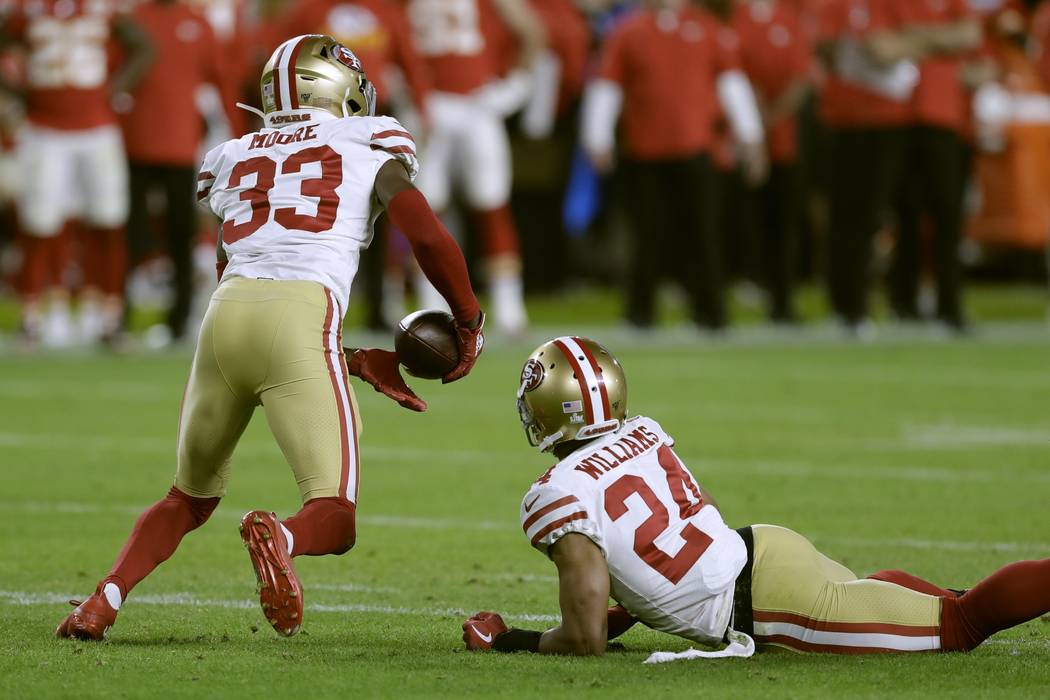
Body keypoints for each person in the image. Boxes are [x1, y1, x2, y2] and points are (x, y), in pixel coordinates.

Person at [55, 35, 485, 641]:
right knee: (333, 515)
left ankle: (100, 601)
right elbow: (428, 235)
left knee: (187, 497)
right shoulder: (368, 139)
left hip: (225, 316)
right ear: (336, 89)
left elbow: (251, 272)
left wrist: (354, 360)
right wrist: (467, 319)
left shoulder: (233, 153)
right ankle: (279, 535)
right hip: (302, 314)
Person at [461, 337, 1050, 656]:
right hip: (761, 548)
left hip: (766, 604)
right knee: (869, 593)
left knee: (962, 624)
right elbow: (684, 530)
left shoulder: (554, 492)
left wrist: (510, 640)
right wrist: (637, 608)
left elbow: (585, 637)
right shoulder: (642, 430)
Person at [581, 0, 766, 332]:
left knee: (704, 233)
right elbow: (607, 84)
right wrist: (598, 136)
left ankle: (711, 314)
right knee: (647, 236)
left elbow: (731, 83)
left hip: (697, 149)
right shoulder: (628, 31)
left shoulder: (707, 28)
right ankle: (640, 314)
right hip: (644, 150)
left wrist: (750, 135)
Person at [0, 0, 153, 346]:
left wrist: (113, 90)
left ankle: (109, 317)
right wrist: (23, 93)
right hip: (44, 129)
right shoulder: (27, 9)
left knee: (109, 219)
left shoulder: (102, 8)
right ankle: (31, 316)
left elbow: (143, 46)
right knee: (38, 223)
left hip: (96, 127)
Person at [406, 0, 546, 336]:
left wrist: (517, 85)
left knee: (491, 205)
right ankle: (431, 307)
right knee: (425, 209)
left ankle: (510, 308)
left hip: (477, 103)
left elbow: (532, 32)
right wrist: (405, 90)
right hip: (430, 104)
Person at [121, 0, 243, 344]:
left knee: (180, 233)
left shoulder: (198, 23)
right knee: (132, 232)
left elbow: (222, 79)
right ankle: (120, 314)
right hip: (136, 141)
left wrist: (238, 133)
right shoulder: (134, 19)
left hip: (179, 143)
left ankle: (180, 317)